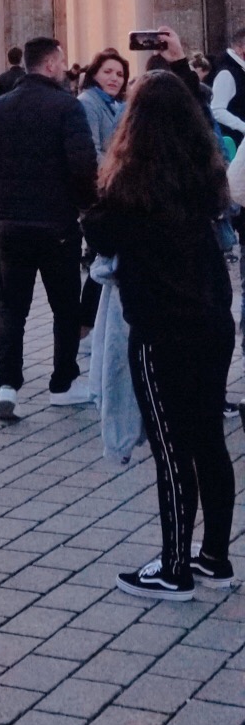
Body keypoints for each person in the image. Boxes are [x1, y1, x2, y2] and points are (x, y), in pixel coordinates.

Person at [83, 69, 235, 599]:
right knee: (209, 441)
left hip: (161, 328)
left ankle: (174, 567)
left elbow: (100, 231)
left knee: (173, 450)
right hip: (214, 318)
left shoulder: (130, 180)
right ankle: (215, 556)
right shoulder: (204, 168)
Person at [0, 36, 97, 422]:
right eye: (60, 62)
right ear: (49, 65)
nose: (64, 68)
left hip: (10, 226)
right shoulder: (67, 107)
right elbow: (82, 167)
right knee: (65, 308)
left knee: (12, 307)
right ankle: (62, 383)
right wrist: (84, 208)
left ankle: (7, 384)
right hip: (57, 225)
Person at [77, 49, 129, 338]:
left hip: (114, 190)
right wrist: (115, 175)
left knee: (105, 259)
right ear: (94, 73)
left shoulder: (115, 104)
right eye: (108, 72)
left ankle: (90, 326)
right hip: (101, 192)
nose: (114, 78)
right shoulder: (88, 103)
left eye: (119, 74)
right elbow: (92, 149)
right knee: (100, 259)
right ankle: (84, 328)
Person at [210, 26, 245, 148]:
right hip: (235, 142)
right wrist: (242, 126)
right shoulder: (227, 73)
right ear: (240, 48)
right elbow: (216, 109)